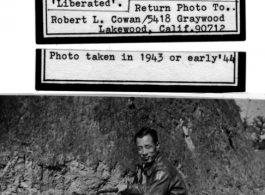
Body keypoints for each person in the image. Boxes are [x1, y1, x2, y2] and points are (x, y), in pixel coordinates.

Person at [117, 127, 188, 195]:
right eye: (140, 148)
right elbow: (149, 188)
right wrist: (127, 187)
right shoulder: (155, 162)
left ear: (157, 145)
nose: (144, 152)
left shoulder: (162, 171)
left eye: (148, 147)